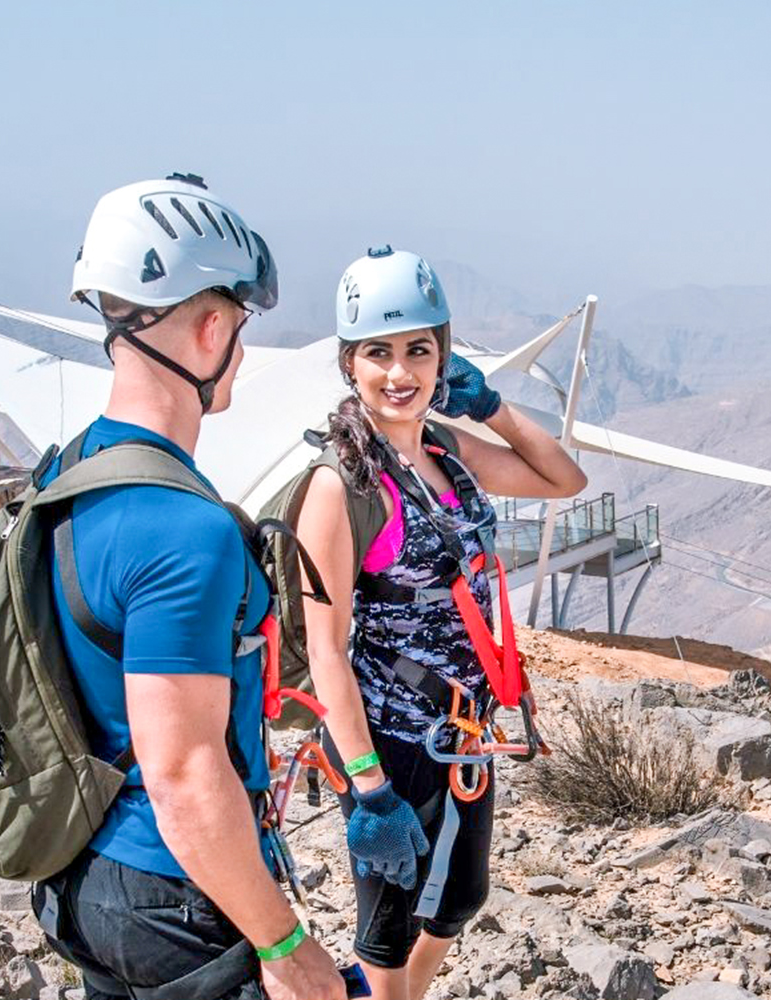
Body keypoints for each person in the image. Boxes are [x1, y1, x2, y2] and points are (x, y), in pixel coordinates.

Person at [30, 174, 347, 1000]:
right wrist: (286, 947)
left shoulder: (67, 472)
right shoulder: (186, 530)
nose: (240, 347)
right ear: (210, 327)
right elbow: (182, 771)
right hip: (174, 893)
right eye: (240, 325)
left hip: (83, 875)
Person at [294, 247, 587, 1000]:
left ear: (443, 356)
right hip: (389, 734)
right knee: (388, 931)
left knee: (459, 898)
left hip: (463, 725)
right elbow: (326, 648)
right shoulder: (342, 484)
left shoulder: (444, 452)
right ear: (349, 365)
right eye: (379, 354)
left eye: (418, 351)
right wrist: (369, 790)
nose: (400, 373)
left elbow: (564, 478)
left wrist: (488, 406)